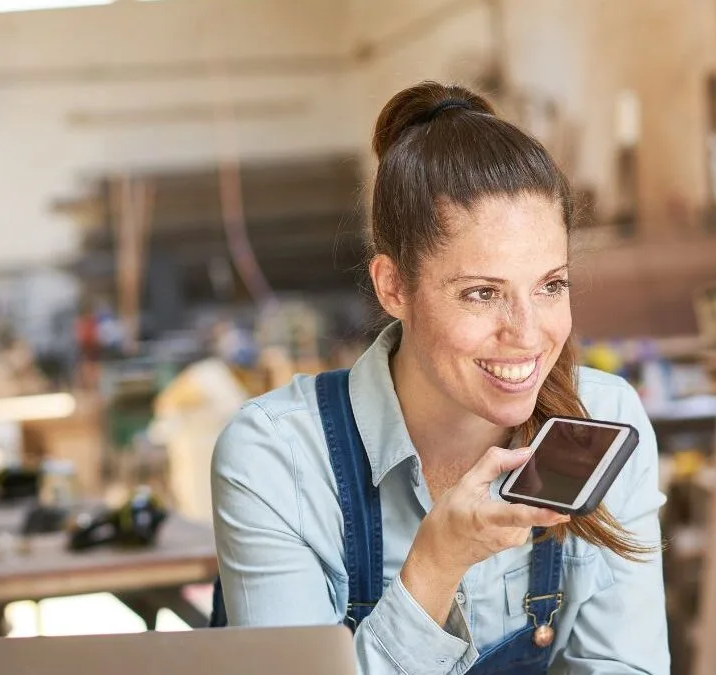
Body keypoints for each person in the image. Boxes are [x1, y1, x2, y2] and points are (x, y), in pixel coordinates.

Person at [211, 81, 669, 674]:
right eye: (482, 293)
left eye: (551, 286)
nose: (528, 336)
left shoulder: (602, 422)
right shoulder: (277, 458)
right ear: (393, 287)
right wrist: (434, 565)